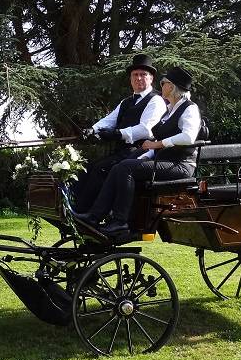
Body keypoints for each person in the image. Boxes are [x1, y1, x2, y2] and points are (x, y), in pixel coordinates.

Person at [76, 65, 202, 237]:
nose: (161, 86)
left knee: (126, 168)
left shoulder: (189, 108)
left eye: (164, 83)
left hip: (180, 165)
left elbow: (188, 137)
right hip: (164, 160)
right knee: (121, 166)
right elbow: (154, 142)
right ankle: (94, 216)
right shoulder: (170, 111)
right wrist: (144, 153)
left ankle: (120, 222)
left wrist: (157, 145)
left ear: (172, 87)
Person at [72, 53, 166, 212]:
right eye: (135, 75)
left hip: (140, 151)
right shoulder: (126, 102)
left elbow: (145, 129)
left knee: (101, 169)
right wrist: (93, 129)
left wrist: (117, 134)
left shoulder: (155, 100)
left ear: (151, 78)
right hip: (122, 151)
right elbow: (109, 119)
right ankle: (77, 207)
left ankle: (88, 212)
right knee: (87, 167)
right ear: (130, 79)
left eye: (143, 75)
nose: (138, 78)